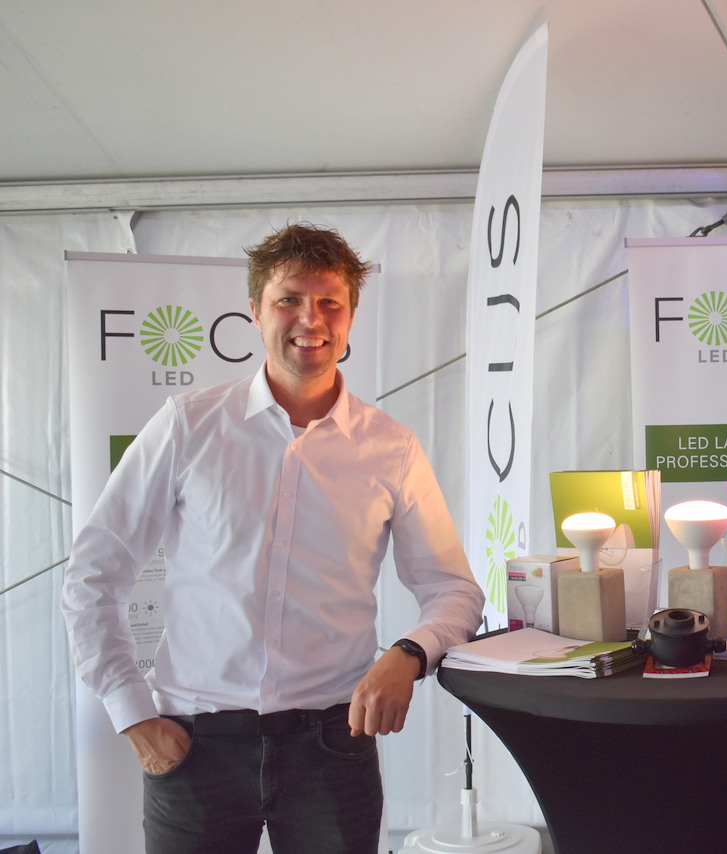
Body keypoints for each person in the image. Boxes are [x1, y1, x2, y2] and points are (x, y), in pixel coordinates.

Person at [62, 223, 485, 853]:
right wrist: (132, 715)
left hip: (333, 747)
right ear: (255, 312)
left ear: (350, 318)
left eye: (330, 302)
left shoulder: (392, 449)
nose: (310, 319)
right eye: (289, 299)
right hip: (195, 745)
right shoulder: (187, 426)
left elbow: (454, 590)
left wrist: (409, 653)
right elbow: (93, 576)